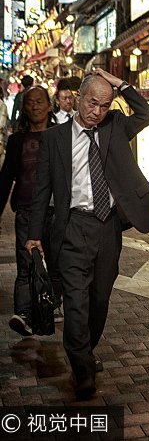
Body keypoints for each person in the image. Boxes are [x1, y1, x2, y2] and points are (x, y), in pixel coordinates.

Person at [25, 69, 149, 400]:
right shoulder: (55, 139)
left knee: (100, 299)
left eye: (104, 105)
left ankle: (86, 349)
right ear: (77, 99)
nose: (96, 111)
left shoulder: (115, 126)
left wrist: (120, 85)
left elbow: (146, 114)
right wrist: (34, 235)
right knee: (75, 300)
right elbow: (42, 189)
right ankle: (82, 371)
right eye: (92, 103)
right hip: (73, 227)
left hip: (109, 227)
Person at [1, 86, 59, 335]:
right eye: (29, 103)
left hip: (57, 210)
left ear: (49, 106)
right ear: (24, 109)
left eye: (39, 102)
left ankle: (53, 305)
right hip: (26, 209)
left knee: (57, 263)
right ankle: (23, 313)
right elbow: (5, 179)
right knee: (26, 265)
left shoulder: (61, 137)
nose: (35, 106)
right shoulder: (17, 141)